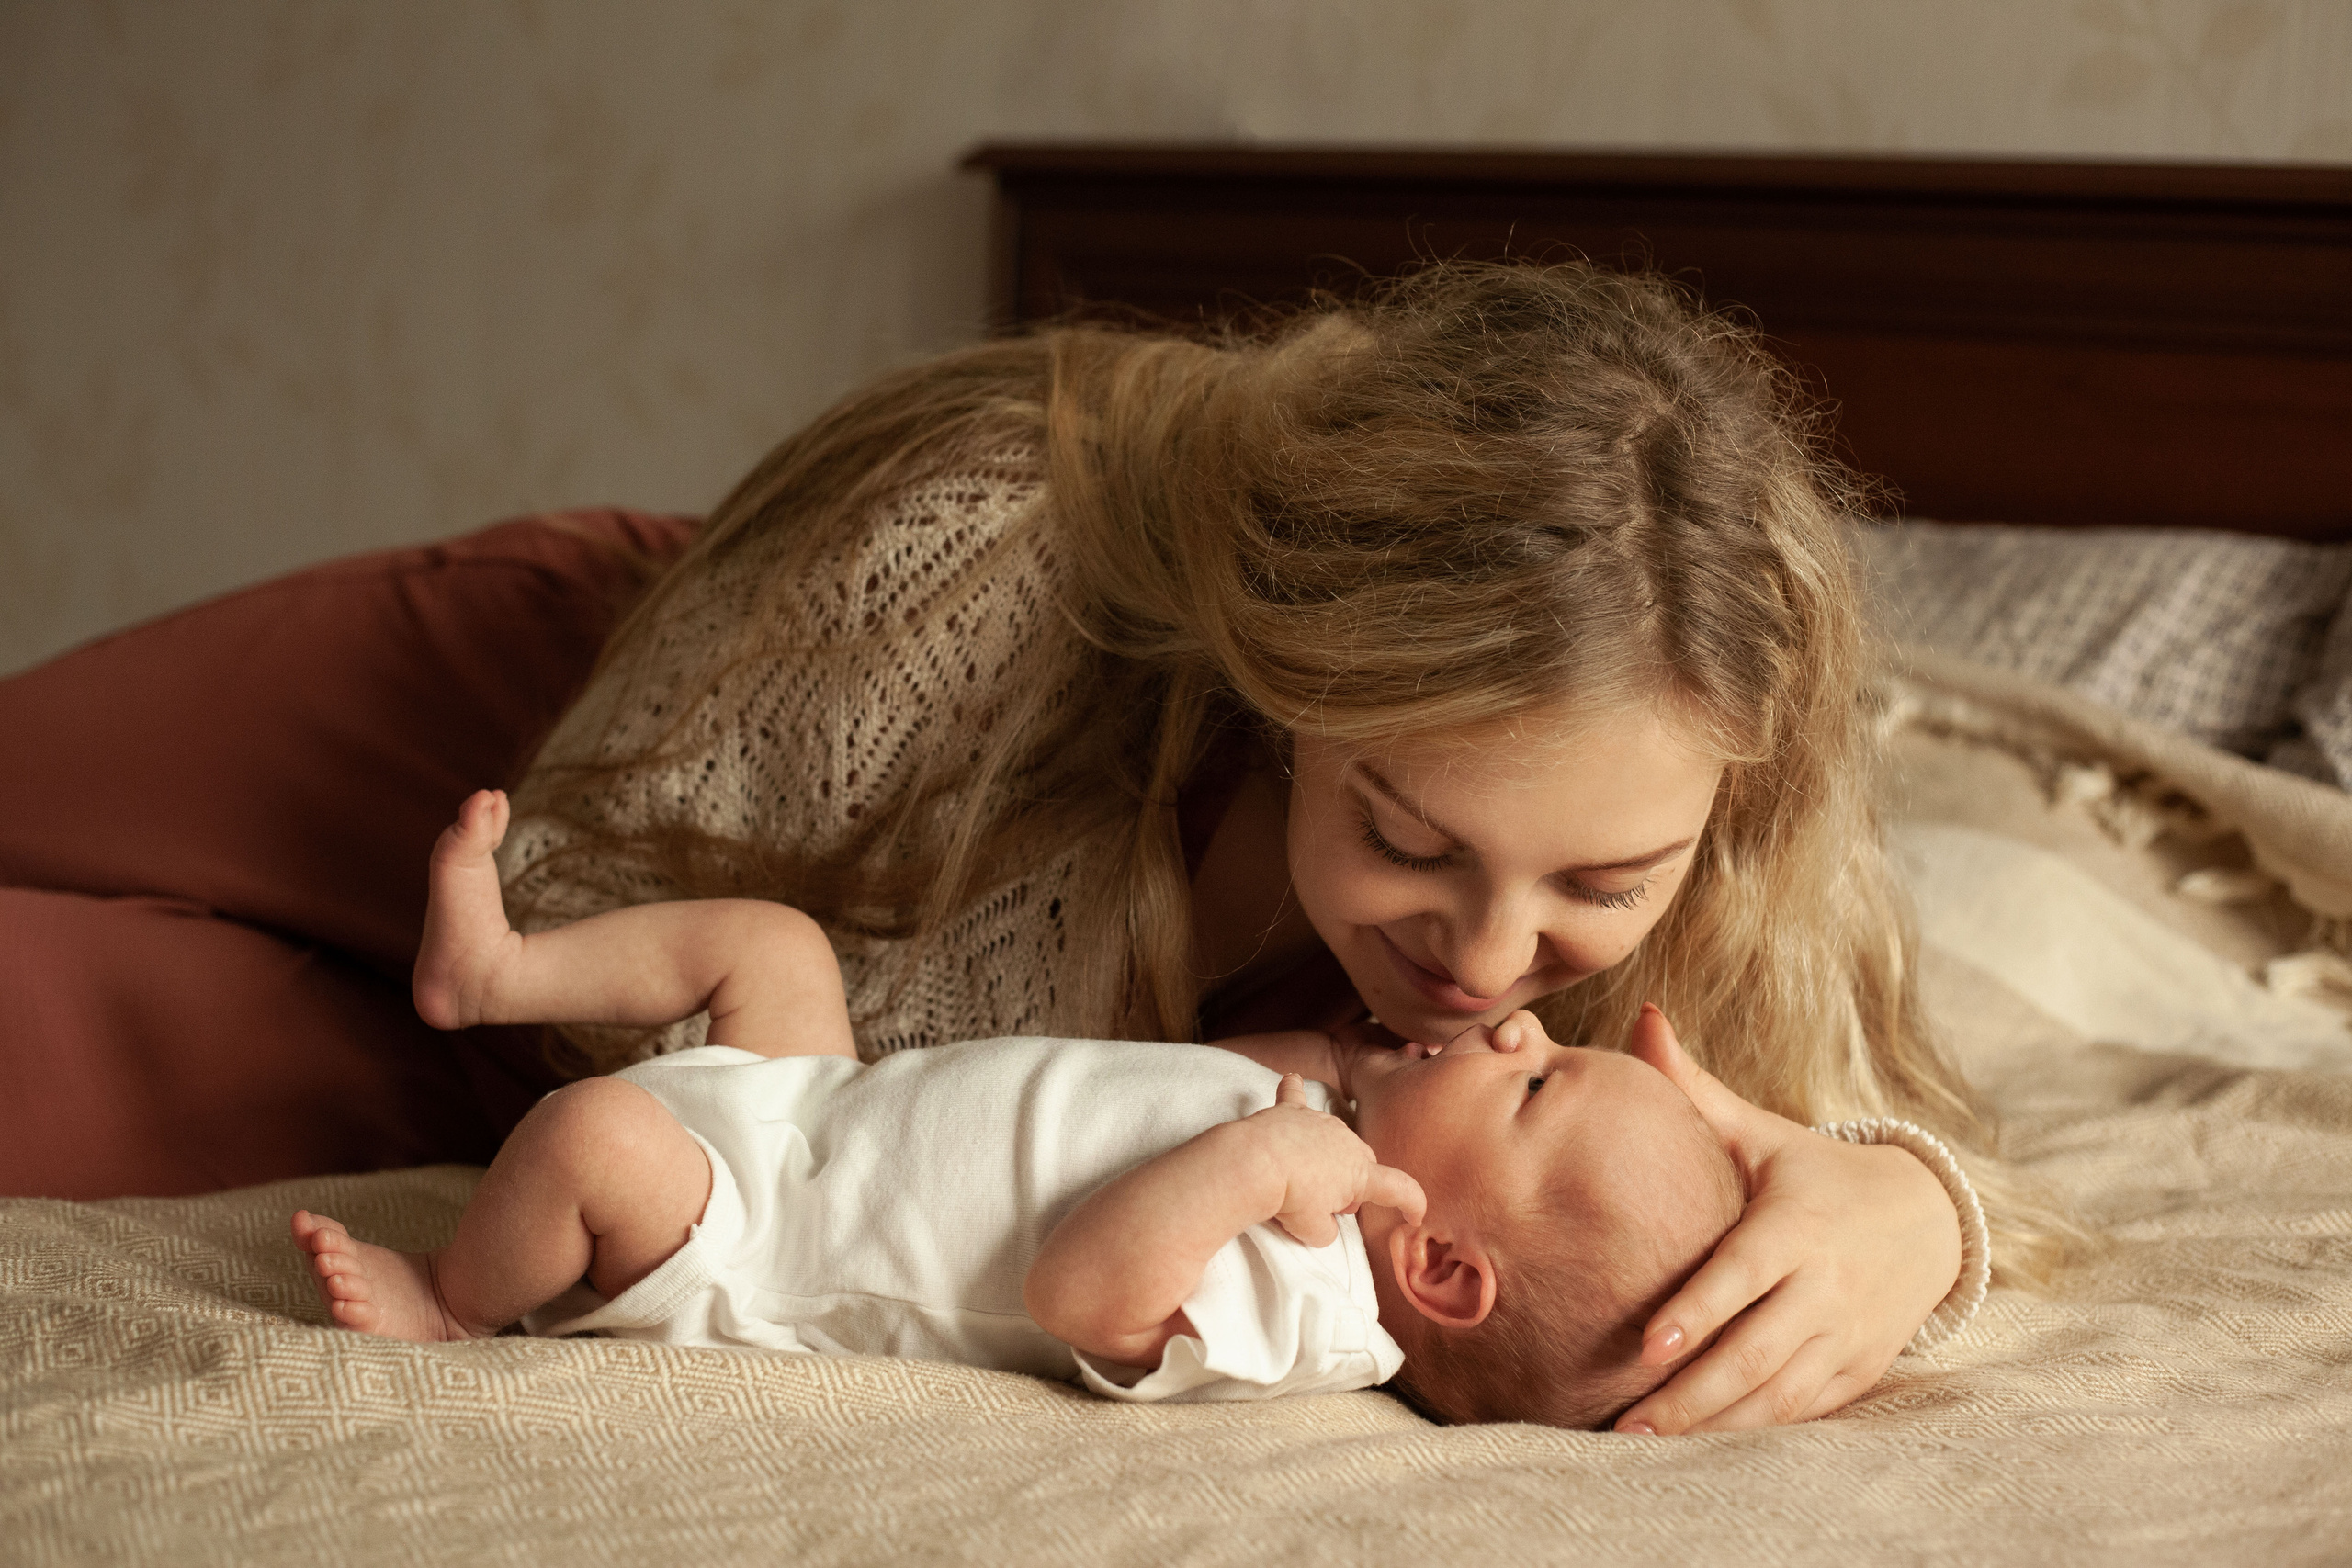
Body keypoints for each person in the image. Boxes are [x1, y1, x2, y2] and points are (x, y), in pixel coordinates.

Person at [490, 260, 2053, 1435]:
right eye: (1407, 836)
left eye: (1602, 886)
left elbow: (1838, 1122)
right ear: (1283, 690)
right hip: (554, 704)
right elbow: (566, 895)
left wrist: (1917, 1214)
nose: (1493, 967)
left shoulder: (1730, 791)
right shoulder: (957, 570)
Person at [293, 788, 1751, 1428]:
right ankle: (491, 970)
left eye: (1537, 1080)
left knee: (587, 1140)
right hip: (831, 1104)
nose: (1511, 1024)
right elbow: (1189, 1082)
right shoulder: (1337, 1130)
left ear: (1437, 1266)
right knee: (775, 948)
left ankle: (456, 1302)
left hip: (761, 1240)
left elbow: (1083, 1292)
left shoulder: (1310, 1314)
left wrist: (1265, 1157)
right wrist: (1355, 1082)